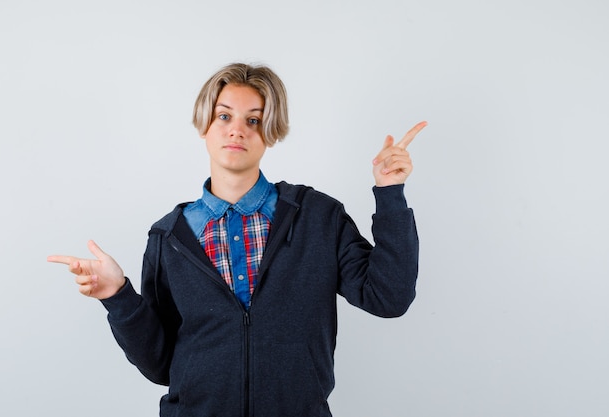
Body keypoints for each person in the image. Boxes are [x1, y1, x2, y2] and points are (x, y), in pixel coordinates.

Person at [48, 62, 426, 417]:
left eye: (254, 120)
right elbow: (161, 365)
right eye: (224, 115)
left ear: (271, 132)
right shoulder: (168, 237)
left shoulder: (318, 217)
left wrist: (390, 193)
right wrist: (118, 297)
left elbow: (388, 297)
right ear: (205, 125)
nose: (237, 129)